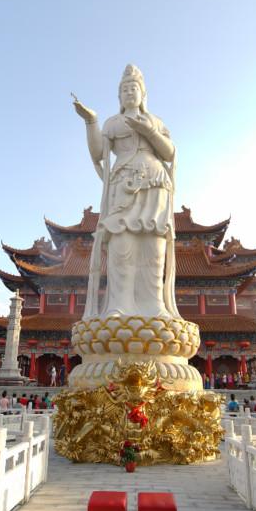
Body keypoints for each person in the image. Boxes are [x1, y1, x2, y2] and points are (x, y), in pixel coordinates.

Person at [73, 65, 179, 320]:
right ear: (119, 97)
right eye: (125, 89)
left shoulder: (155, 121)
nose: (130, 92)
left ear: (143, 94)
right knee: (122, 245)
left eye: (134, 88)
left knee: (153, 247)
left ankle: (154, 305)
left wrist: (149, 132)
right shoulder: (113, 123)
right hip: (122, 184)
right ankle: (118, 306)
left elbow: (169, 153)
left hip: (154, 183)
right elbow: (98, 153)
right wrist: (91, 121)